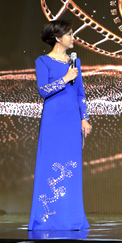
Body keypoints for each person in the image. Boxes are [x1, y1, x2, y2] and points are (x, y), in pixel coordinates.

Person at [28, 20, 92, 232]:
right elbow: (43, 90)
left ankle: (71, 218)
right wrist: (65, 79)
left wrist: (84, 118)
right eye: (69, 34)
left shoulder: (75, 62)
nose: (73, 37)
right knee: (50, 165)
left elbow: (80, 93)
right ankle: (47, 218)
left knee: (71, 169)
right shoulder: (43, 61)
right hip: (53, 120)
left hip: (72, 120)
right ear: (57, 37)